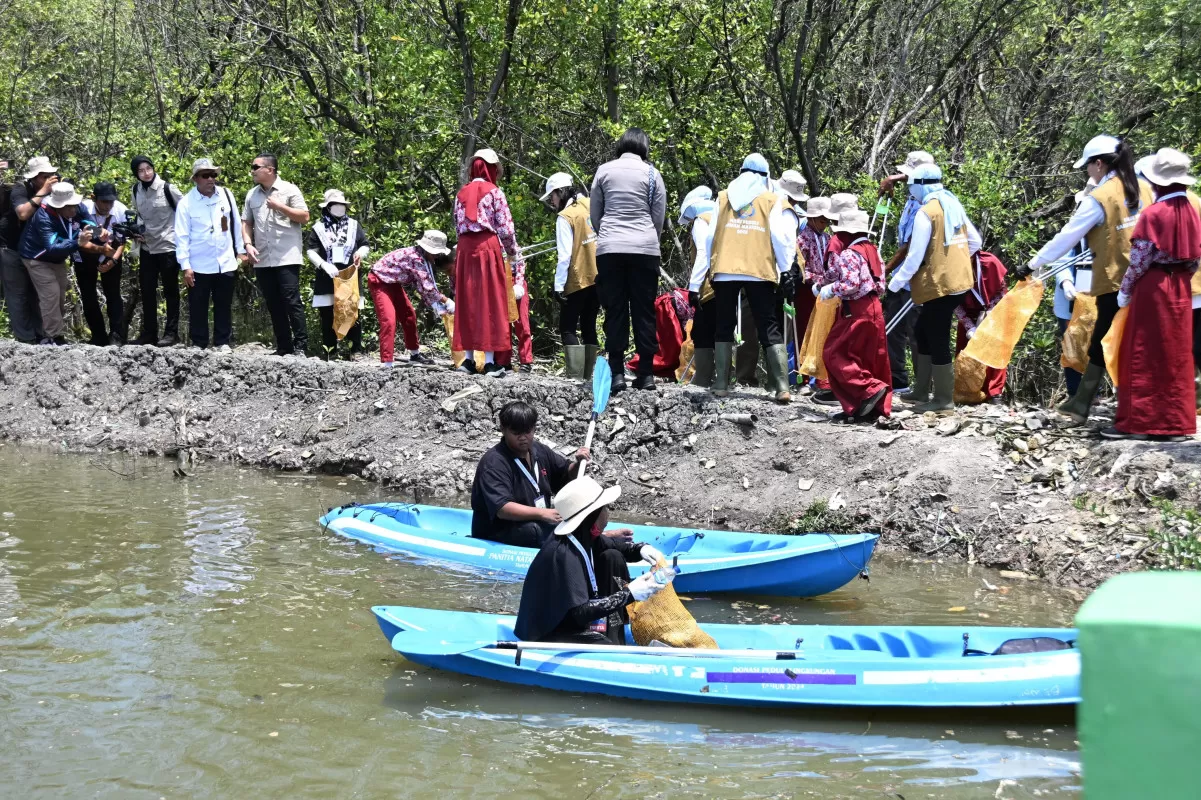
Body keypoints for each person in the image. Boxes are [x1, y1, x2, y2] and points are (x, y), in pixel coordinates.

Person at [1025, 135, 1142, 424]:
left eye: (1087, 166)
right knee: (1130, 342)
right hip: (1146, 280)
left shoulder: (1099, 198)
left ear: (1099, 164)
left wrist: (1032, 263)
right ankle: (1084, 403)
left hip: (1114, 281)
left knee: (1105, 342)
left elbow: (1066, 237)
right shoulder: (1143, 189)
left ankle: (1117, 410)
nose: (1087, 172)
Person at [1102, 148, 1199, 441]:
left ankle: (1140, 423)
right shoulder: (1193, 212)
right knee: (1176, 354)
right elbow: (1195, 258)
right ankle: (1175, 423)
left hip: (1154, 286)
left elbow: (1140, 260)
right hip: (1180, 286)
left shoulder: (1154, 213)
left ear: (1157, 181)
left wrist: (1126, 290)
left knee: (1142, 351)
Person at [514, 476, 668, 644]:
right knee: (603, 645)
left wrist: (642, 549)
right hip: (548, 633)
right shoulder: (565, 554)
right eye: (604, 508)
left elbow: (618, 547)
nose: (607, 513)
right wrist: (629, 594)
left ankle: (615, 639)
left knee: (613, 556)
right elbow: (579, 613)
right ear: (592, 515)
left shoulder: (582, 536)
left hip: (571, 622)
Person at [887, 164, 983, 414]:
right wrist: (954, 261)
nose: (910, 190)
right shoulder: (952, 203)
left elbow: (914, 257)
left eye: (911, 185)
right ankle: (921, 391)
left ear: (920, 185)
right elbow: (975, 242)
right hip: (960, 282)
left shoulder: (925, 212)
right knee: (923, 330)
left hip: (940, 285)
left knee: (937, 336)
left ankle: (942, 399)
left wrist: (893, 285)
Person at [705, 153, 798, 402]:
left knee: (724, 325)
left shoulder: (723, 197)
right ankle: (782, 387)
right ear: (765, 176)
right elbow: (780, 237)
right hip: (759, 269)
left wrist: (711, 266)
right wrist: (785, 269)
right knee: (768, 324)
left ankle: (722, 383)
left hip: (725, 269)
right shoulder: (771, 200)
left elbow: (710, 235)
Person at [590, 128, 667, 393]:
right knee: (644, 310)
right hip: (645, 248)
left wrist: (608, 235)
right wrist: (648, 238)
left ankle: (617, 373)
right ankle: (646, 373)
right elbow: (658, 216)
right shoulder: (652, 174)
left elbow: (595, 214)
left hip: (610, 248)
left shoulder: (604, 171)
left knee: (615, 309)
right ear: (644, 147)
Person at [470, 401, 590, 548]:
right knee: (534, 530)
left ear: (534, 428)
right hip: (499, 529)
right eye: (516, 433)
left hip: (537, 520)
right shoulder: (494, 462)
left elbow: (566, 473)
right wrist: (542, 513)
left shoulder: (539, 450)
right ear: (503, 429)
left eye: (527, 431)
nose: (523, 437)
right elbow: (502, 508)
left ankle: (596, 540)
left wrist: (578, 464)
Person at [453, 148, 525, 376]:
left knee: (467, 301)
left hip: (465, 250)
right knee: (490, 301)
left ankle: (468, 360)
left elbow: (457, 225)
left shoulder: (460, 193)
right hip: (487, 247)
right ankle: (491, 362)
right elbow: (506, 228)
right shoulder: (495, 192)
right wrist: (512, 252)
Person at [817, 209, 892, 422]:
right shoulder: (873, 251)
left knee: (834, 353)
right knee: (868, 358)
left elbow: (851, 284)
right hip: (874, 307)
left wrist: (830, 289)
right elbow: (881, 285)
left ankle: (868, 389)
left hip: (857, 308)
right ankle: (865, 409)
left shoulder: (850, 253)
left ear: (847, 233)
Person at [242, 153, 311, 356]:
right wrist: (248, 244)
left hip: (286, 256)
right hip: (263, 258)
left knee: (292, 301)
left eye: (256, 167)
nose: (252, 171)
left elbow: (305, 217)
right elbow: (246, 222)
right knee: (273, 303)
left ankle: (301, 346)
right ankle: (283, 347)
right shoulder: (252, 194)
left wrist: (280, 206)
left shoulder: (289, 189)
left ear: (270, 170)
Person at [175, 158, 246, 351]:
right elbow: (181, 236)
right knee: (198, 305)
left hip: (225, 260)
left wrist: (240, 251)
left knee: (224, 304)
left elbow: (235, 224)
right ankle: (199, 343)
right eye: (205, 175)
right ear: (196, 178)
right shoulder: (186, 203)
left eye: (213, 175)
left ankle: (223, 342)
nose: (210, 179)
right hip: (199, 263)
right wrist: (185, 265)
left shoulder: (226, 195)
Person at [881, 150, 936, 395]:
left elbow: (910, 246)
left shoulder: (928, 203)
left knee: (917, 332)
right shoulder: (913, 196)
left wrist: (886, 269)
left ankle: (922, 388)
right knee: (892, 328)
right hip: (901, 278)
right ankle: (898, 381)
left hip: (916, 277)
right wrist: (893, 178)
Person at [18, 181, 94, 345]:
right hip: (37, 257)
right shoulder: (44, 217)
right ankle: (53, 336)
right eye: (68, 207)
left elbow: (89, 221)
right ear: (58, 206)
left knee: (60, 295)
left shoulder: (77, 207)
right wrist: (77, 242)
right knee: (50, 294)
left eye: (74, 205)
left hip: (58, 258)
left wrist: (98, 232)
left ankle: (54, 333)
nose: (73, 210)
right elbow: (52, 247)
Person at [368, 230, 454, 370]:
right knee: (389, 320)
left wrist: (437, 306)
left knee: (409, 315)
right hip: (379, 280)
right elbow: (428, 287)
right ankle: (386, 361)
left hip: (393, 282)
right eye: (436, 253)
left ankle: (415, 354)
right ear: (428, 249)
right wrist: (447, 301)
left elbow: (422, 287)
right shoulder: (416, 258)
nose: (437, 256)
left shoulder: (422, 258)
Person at [542, 172, 599, 380]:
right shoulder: (593, 204)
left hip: (577, 279)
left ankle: (575, 377)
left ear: (561, 191)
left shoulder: (565, 217)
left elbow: (564, 255)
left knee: (567, 327)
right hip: (599, 276)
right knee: (589, 325)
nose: (552, 201)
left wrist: (558, 286)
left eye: (553, 195)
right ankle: (589, 377)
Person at [808, 192, 860, 406]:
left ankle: (831, 387)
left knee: (833, 342)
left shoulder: (837, 241)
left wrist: (822, 286)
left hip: (837, 296)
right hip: (844, 297)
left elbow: (833, 272)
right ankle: (832, 385)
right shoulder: (849, 240)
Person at [306, 189, 370, 360]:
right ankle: (330, 350)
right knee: (327, 314)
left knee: (352, 312)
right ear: (327, 207)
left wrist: (360, 253)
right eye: (335, 205)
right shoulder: (319, 228)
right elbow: (311, 251)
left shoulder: (354, 225)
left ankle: (355, 350)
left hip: (349, 275)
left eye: (342, 205)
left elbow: (364, 244)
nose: (339, 208)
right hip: (327, 276)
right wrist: (323, 264)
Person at [129, 155, 184, 346]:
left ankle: (171, 333)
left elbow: (185, 212)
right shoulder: (135, 190)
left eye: (148, 169)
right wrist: (135, 231)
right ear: (136, 173)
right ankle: (149, 333)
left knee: (171, 291)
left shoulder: (168, 188)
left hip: (168, 246)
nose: (146, 173)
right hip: (147, 247)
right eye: (141, 170)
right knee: (147, 291)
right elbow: (138, 215)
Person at [0, 156, 53, 344]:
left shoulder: (54, 191)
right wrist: (43, 193)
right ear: (34, 177)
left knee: (39, 293)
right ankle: (26, 338)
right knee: (18, 294)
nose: (49, 180)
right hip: (11, 247)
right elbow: (22, 213)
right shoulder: (20, 189)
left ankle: (42, 334)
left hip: (36, 251)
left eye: (51, 175)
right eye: (44, 176)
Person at [954, 251, 1009, 403]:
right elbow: (952, 301)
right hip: (968, 314)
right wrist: (969, 326)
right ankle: (968, 393)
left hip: (992, 311)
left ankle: (994, 392)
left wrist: (991, 312)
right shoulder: (952, 266)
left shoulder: (989, 262)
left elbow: (1002, 290)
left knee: (995, 352)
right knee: (967, 356)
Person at [78, 182, 128, 346]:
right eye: (104, 202)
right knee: (88, 295)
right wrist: (99, 247)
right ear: (94, 198)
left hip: (111, 253)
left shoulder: (120, 210)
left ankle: (116, 335)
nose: (108, 206)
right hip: (87, 253)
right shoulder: (82, 208)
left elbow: (122, 240)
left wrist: (113, 260)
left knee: (113, 294)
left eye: (111, 202)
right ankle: (98, 335)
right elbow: (78, 238)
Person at [680, 185, 719, 387]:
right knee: (722, 330)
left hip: (709, 285)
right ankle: (721, 379)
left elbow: (703, 254)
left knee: (702, 331)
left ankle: (703, 379)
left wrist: (693, 287)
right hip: (729, 281)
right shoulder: (722, 216)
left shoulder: (701, 221)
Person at [795, 195, 833, 395]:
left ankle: (822, 378)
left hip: (824, 291)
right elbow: (800, 268)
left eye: (827, 220)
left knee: (823, 332)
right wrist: (816, 279)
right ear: (812, 218)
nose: (825, 224)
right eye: (822, 220)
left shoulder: (827, 238)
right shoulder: (802, 239)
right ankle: (802, 378)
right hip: (806, 290)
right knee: (804, 332)